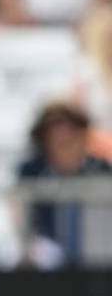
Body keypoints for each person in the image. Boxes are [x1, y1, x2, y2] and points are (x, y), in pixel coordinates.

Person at [17, 102, 112, 268]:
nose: (65, 144)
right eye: (57, 140)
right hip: (49, 272)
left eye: (71, 137)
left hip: (98, 269)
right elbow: (22, 223)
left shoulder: (102, 171)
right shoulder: (33, 174)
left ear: (83, 137)